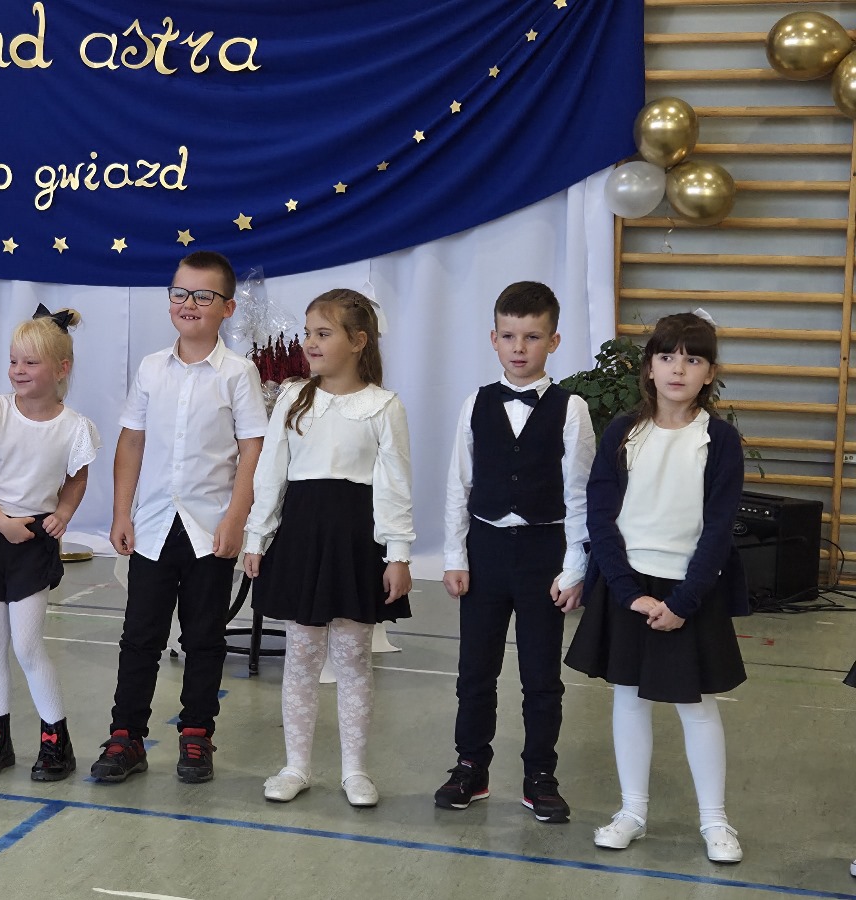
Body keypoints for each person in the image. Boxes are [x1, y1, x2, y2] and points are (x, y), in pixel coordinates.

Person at [564, 311, 748, 864]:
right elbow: (601, 516)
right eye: (667, 357)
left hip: (692, 588)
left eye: (692, 360)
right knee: (628, 697)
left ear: (709, 372)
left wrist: (684, 601)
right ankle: (632, 812)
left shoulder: (720, 440)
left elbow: (718, 528)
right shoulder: (623, 432)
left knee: (697, 706)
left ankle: (715, 821)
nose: (678, 369)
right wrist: (628, 591)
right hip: (630, 585)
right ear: (649, 367)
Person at [94, 250, 266, 785]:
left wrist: (236, 518)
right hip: (152, 526)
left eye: (203, 296)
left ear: (227, 308)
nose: (188, 304)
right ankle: (126, 736)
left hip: (209, 527)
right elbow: (131, 441)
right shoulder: (151, 367)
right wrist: (121, 512)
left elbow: (253, 450)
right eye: (179, 293)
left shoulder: (238, 373)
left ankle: (196, 733)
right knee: (139, 637)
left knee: (204, 637)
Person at [243, 290, 412, 807]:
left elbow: (395, 485)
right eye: (308, 332)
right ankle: (295, 765)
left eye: (324, 333)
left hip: (355, 542)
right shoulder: (293, 398)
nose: (310, 343)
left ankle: (355, 770)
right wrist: (257, 535)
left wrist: (398, 554)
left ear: (358, 341)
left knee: (354, 657)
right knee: (301, 656)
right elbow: (270, 474)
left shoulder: (383, 406)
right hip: (301, 537)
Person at [435, 281, 593, 822]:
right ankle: (470, 767)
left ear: (554, 341)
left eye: (532, 337)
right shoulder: (475, 403)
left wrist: (575, 567)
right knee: (474, 671)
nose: (519, 347)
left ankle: (540, 775)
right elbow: (459, 484)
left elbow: (580, 494)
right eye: (509, 336)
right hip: (485, 552)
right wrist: (455, 557)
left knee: (541, 676)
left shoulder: (571, 409)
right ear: (493, 339)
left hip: (544, 553)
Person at [0, 305, 98, 782]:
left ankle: (56, 741)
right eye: (14, 361)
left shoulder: (74, 426)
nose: (18, 370)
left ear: (62, 368)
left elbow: (76, 479)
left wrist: (63, 514)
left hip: (32, 540)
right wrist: (2, 523)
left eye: (31, 363)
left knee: (28, 646)